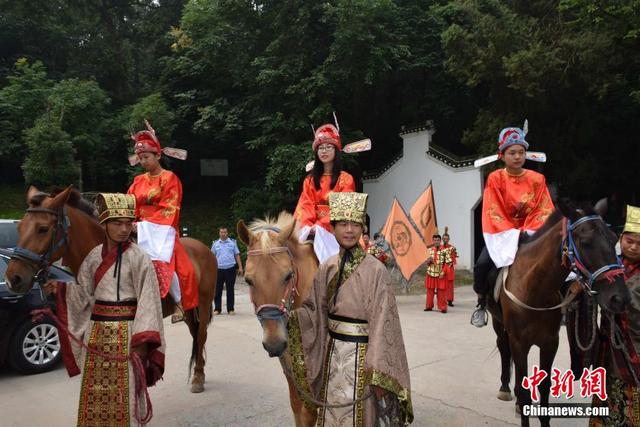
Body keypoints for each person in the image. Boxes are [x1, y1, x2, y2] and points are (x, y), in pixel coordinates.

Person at [287, 192, 413, 425]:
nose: (349, 230)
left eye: (355, 224)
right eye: (343, 224)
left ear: (363, 229)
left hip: (364, 356)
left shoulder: (376, 270)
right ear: (332, 228)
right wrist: (291, 318)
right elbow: (314, 310)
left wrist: (376, 369)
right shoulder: (327, 266)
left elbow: (383, 322)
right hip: (332, 353)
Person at [45, 193, 165, 427]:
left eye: (127, 223)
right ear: (105, 224)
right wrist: (59, 289)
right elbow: (81, 294)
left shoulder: (140, 257)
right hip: (97, 335)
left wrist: (142, 341)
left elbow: (149, 301)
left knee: (126, 393)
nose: (123, 229)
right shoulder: (92, 257)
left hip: (128, 335)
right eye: (116, 223)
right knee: (96, 393)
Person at [470, 124, 554, 327]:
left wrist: (529, 232)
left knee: (559, 263)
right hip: (503, 233)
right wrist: (514, 234)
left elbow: (543, 209)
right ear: (503, 155)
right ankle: (482, 302)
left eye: (521, 152)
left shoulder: (537, 179)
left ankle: (562, 305)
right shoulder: (495, 178)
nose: (517, 157)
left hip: (531, 233)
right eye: (512, 152)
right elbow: (493, 209)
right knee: (481, 265)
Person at [127, 120, 198, 323]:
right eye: (140, 158)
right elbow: (130, 202)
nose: (143, 162)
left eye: (147, 157)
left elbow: (170, 208)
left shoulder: (170, 179)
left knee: (162, 259)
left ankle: (179, 301)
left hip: (160, 229)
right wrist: (126, 221)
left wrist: (142, 226)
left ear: (158, 155)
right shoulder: (138, 181)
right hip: (137, 226)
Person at [590, 205, 640, 426]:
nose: (635, 247)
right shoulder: (611, 268)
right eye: (630, 241)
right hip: (609, 347)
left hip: (635, 349)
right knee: (607, 392)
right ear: (621, 239)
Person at [294, 123, 356, 263]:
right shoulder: (309, 180)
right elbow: (305, 205)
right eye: (320, 148)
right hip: (311, 227)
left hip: (335, 228)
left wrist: (321, 226)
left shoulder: (345, 179)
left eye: (328, 147)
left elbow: (343, 209)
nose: (324, 151)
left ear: (336, 150)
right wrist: (308, 227)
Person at [211, 227, 243, 315]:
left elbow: (237, 255)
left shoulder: (232, 243)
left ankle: (230, 309)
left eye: (225, 232)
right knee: (218, 290)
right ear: (219, 233)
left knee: (230, 289)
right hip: (219, 269)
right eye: (221, 232)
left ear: (227, 233)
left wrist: (240, 267)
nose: (223, 234)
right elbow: (212, 257)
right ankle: (217, 309)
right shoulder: (215, 244)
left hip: (230, 269)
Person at [424, 233, 452, 313]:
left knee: (441, 292)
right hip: (431, 273)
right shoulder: (430, 251)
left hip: (441, 274)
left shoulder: (445, 251)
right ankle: (429, 306)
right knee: (430, 291)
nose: (436, 241)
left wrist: (444, 272)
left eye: (438, 240)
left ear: (440, 241)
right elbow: (427, 263)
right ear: (433, 241)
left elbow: (449, 263)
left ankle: (443, 308)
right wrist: (428, 261)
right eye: (435, 240)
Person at [442, 227, 457, 307]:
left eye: (447, 238)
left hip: (449, 269)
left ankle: (450, 300)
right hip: (441, 269)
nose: (445, 240)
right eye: (444, 238)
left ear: (449, 239)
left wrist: (449, 264)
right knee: (442, 285)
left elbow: (453, 259)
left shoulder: (452, 248)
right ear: (442, 239)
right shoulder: (440, 248)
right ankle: (443, 299)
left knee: (450, 286)